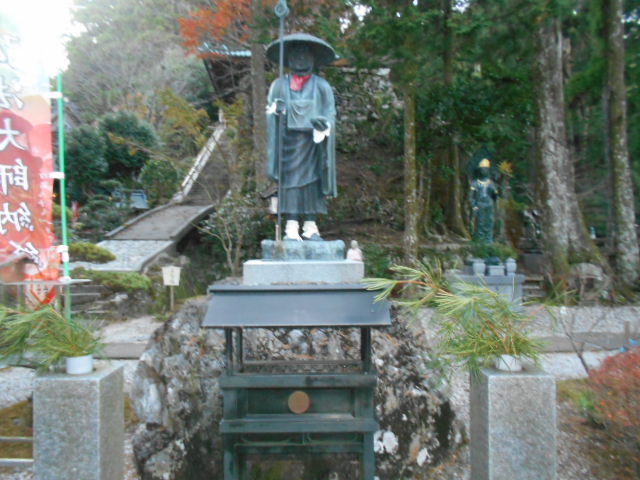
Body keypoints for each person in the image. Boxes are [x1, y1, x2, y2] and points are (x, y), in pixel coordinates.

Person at [266, 33, 337, 241]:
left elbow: (330, 113)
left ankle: (311, 226)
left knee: (313, 183)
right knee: (289, 184)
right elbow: (270, 111)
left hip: (313, 144)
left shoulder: (322, 86)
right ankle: (291, 226)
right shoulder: (279, 85)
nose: (300, 59)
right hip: (287, 144)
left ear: (313, 58)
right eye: (295, 55)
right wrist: (276, 111)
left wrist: (324, 125)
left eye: (305, 54)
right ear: (288, 59)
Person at [470, 158, 498, 244]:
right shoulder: (475, 183)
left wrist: (495, 195)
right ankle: (480, 241)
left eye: (486, 169)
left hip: (489, 205)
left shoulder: (491, 183)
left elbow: (495, 195)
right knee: (480, 223)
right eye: (482, 169)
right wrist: (474, 206)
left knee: (489, 222)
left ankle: (488, 240)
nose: (484, 171)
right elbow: (471, 196)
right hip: (480, 204)